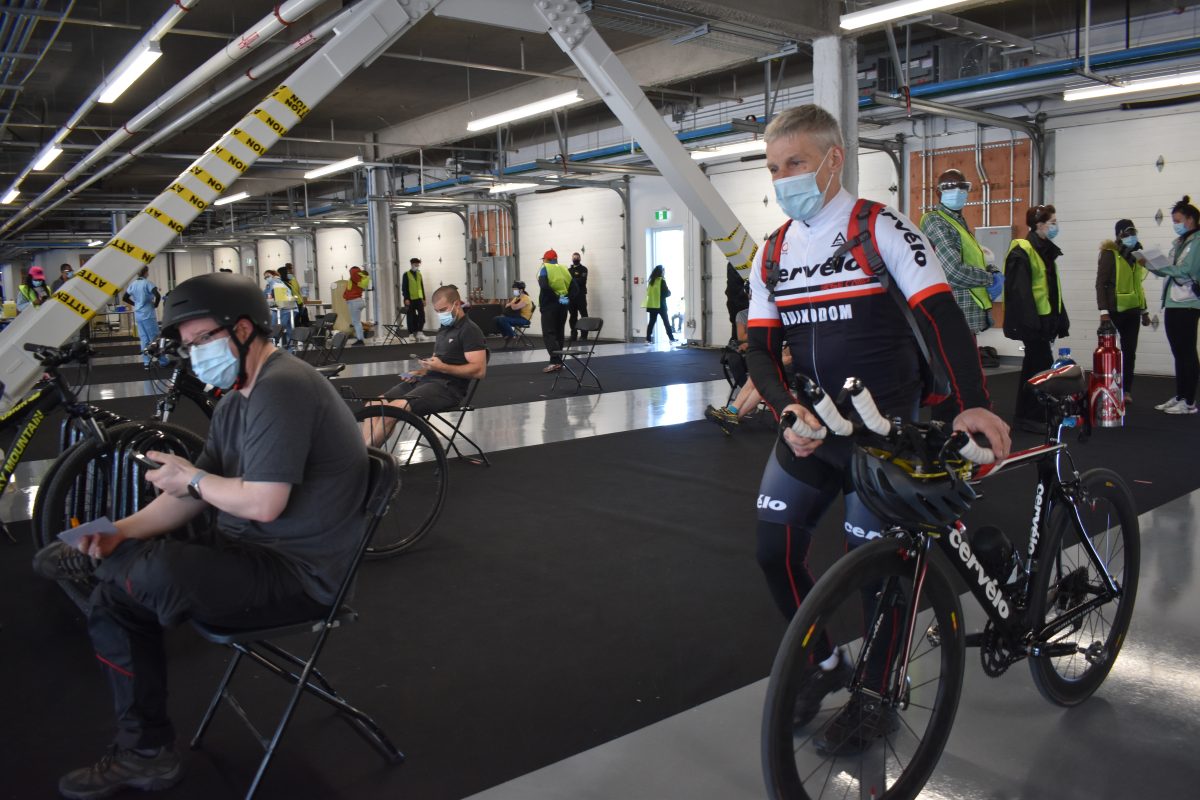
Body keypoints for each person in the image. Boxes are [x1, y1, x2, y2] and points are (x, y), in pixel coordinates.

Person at [31, 272, 368, 799]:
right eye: (188, 346)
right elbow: (189, 494)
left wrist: (189, 478)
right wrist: (112, 533)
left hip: (295, 575)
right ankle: (146, 752)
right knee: (118, 592)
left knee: (148, 575)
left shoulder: (284, 386)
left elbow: (261, 501)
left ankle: (144, 747)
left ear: (242, 328)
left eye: (202, 340)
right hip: (247, 552)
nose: (195, 354)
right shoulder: (237, 398)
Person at [744, 105, 1009, 747]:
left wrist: (971, 402)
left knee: (877, 570)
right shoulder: (774, 251)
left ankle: (879, 691)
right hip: (812, 430)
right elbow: (758, 347)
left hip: (889, 436)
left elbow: (944, 318)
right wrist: (786, 407)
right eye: (775, 168)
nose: (784, 179)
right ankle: (826, 665)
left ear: (833, 159)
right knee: (772, 552)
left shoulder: (879, 228)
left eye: (796, 164)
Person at [920, 168, 1003, 423]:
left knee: (959, 380)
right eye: (949, 186)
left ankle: (955, 436)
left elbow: (968, 258)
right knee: (960, 382)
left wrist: (991, 269)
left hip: (964, 313)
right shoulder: (935, 221)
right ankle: (953, 437)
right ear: (938, 192)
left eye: (961, 186)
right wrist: (989, 278)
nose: (956, 191)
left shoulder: (956, 221)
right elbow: (953, 270)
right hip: (951, 312)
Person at [363, 285, 487, 445]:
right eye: (437, 311)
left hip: (448, 388)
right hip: (426, 381)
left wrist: (441, 367)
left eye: (443, 310)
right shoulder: (444, 328)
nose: (441, 315)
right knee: (373, 405)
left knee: (391, 411)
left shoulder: (470, 331)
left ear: (457, 304)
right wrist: (421, 371)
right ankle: (368, 455)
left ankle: (364, 460)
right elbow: (438, 362)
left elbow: (479, 371)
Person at [1003, 204, 1070, 433]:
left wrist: (1059, 319)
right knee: (1040, 368)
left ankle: (1026, 415)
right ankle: (1033, 416)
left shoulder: (1045, 250)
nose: (1056, 227)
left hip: (1045, 320)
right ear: (1040, 225)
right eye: (1052, 223)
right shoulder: (1023, 251)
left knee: (1034, 367)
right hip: (1034, 323)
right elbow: (1020, 293)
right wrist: (1033, 324)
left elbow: (1051, 289)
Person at [1146, 196, 1200, 414]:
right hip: (1173, 302)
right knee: (1178, 351)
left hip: (1188, 303)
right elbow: (1169, 268)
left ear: (1191, 219)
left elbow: (1184, 271)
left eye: (1178, 220)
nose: (1175, 225)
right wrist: (1149, 264)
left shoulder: (1197, 242)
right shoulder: (1180, 243)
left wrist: (1164, 267)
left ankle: (1188, 402)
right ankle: (1180, 395)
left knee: (1186, 351)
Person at [705, 303, 791, 432]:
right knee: (759, 377)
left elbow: (789, 357)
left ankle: (732, 415)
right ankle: (731, 415)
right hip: (781, 362)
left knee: (762, 377)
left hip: (793, 368)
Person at [1096, 219, 1150, 404]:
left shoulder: (1137, 256)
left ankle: (1125, 391)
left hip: (1133, 310)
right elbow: (1100, 283)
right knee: (1109, 352)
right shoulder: (1109, 254)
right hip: (1113, 310)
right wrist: (1103, 311)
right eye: (1127, 233)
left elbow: (1138, 285)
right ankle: (1107, 388)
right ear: (1119, 234)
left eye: (1133, 233)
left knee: (1130, 352)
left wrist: (1144, 311)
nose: (1131, 237)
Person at [122, 266, 166, 369]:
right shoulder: (147, 283)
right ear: (146, 272)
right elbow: (158, 295)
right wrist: (155, 305)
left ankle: (146, 362)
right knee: (154, 337)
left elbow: (125, 297)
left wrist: (135, 304)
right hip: (148, 314)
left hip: (138, 314)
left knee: (143, 338)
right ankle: (162, 360)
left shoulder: (133, 284)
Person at [538, 249, 574, 373]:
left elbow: (544, 286)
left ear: (546, 259)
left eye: (544, 259)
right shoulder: (565, 269)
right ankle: (558, 361)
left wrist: (555, 297)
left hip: (549, 306)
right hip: (563, 306)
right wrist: (565, 299)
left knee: (549, 333)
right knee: (559, 333)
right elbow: (575, 288)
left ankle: (555, 361)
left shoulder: (545, 269)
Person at [494, 280, 534, 344]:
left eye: (515, 290)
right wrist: (512, 304)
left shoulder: (526, 298)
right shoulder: (517, 298)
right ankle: (506, 336)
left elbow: (514, 307)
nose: (513, 291)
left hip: (524, 319)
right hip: (516, 317)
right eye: (513, 290)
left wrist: (512, 304)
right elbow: (507, 305)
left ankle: (513, 335)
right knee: (496, 319)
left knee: (503, 320)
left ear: (521, 290)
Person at [644, 265, 675, 343]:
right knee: (666, 322)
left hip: (652, 305)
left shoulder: (651, 281)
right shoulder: (661, 281)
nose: (664, 272)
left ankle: (648, 340)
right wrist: (669, 293)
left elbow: (648, 293)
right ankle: (671, 339)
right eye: (664, 271)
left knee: (651, 323)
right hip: (661, 305)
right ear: (661, 272)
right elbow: (666, 293)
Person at [344, 266, 371, 346]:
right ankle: (364, 331)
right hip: (359, 301)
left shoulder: (356, 276)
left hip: (354, 301)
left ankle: (360, 339)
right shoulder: (362, 279)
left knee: (356, 322)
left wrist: (354, 269)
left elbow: (353, 272)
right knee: (355, 321)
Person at [402, 257, 426, 341]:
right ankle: (411, 334)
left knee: (422, 316)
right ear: (412, 264)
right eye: (416, 265)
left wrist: (423, 298)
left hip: (419, 299)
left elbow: (421, 287)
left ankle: (420, 332)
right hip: (410, 300)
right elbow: (404, 288)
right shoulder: (406, 274)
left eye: (418, 265)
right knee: (410, 317)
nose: (417, 266)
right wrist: (406, 298)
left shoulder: (419, 274)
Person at [567, 251, 590, 342]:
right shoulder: (568, 270)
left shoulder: (584, 269)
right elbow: (566, 282)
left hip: (580, 295)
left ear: (580, 259)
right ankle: (573, 335)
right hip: (571, 296)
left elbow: (582, 281)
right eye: (574, 257)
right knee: (573, 316)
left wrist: (572, 280)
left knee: (584, 315)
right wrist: (575, 280)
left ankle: (584, 335)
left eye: (577, 258)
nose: (575, 259)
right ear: (572, 259)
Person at [725, 261, 749, 344]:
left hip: (737, 301)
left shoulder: (735, 264)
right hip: (738, 301)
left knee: (737, 326)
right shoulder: (736, 264)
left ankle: (735, 345)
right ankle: (736, 345)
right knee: (738, 327)